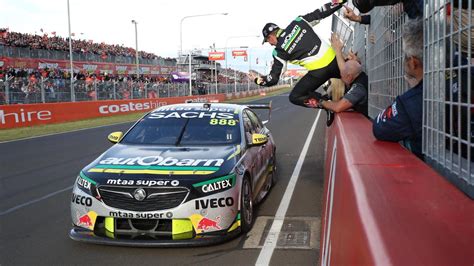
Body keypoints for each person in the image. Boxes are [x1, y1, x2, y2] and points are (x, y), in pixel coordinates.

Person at [250, 0, 347, 112]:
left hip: (318, 73)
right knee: (355, 77)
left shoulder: (278, 52)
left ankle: (325, 103)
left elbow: (273, 79)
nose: (271, 44)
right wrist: (339, 1)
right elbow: (321, 12)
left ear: (271, 37)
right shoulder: (298, 22)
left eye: (268, 41)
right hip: (335, 61)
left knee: (295, 97)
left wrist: (257, 80)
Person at [372, 18, 423, 159]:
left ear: (413, 63)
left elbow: (378, 127)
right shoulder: (465, 73)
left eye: (404, 55)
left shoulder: (410, 103)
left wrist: (414, 89)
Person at [316, 33, 368, 117]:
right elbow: (347, 68)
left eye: (341, 75)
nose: (340, 76)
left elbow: (338, 107)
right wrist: (338, 51)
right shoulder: (358, 74)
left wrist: (319, 101)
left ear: (349, 76)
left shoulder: (359, 88)